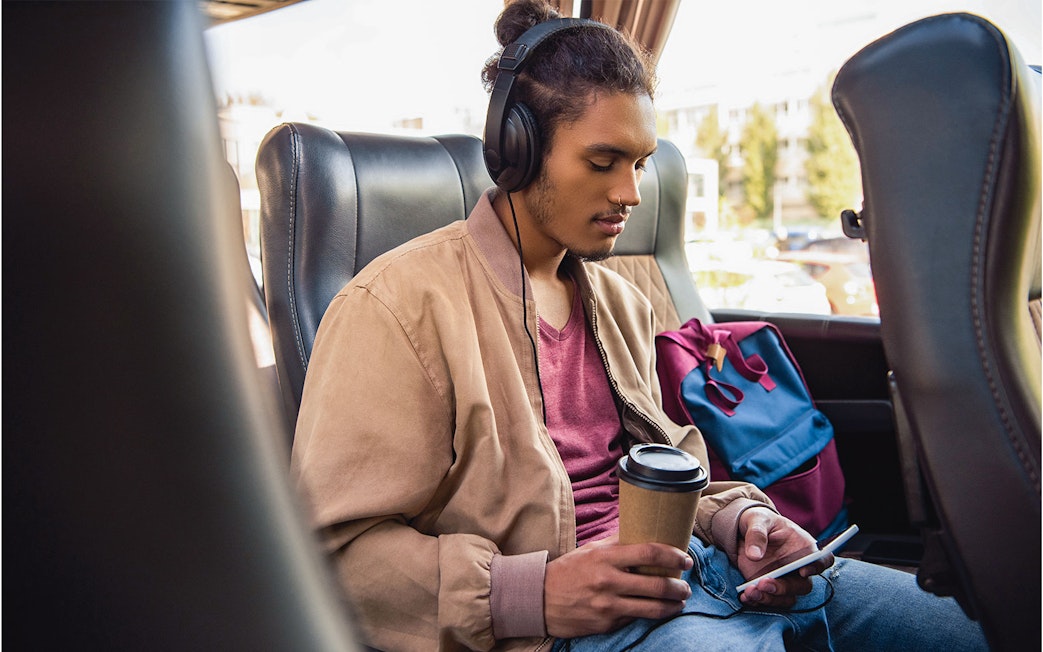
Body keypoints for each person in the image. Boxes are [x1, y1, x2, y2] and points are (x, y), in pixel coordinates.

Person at [291, 1, 989, 650]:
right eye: (602, 162)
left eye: (639, 164)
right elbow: (334, 555)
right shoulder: (393, 307)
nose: (629, 192)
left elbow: (676, 472)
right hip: (581, 628)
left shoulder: (618, 301)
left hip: (709, 574)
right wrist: (529, 593)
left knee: (979, 627)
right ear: (518, 150)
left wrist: (741, 522)